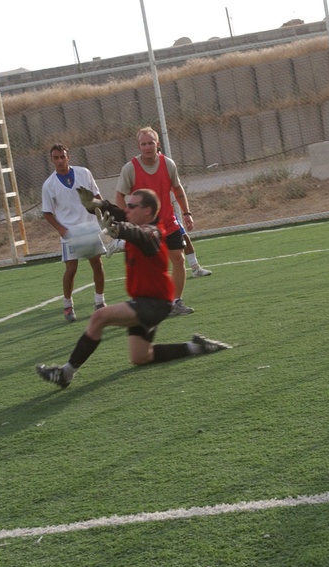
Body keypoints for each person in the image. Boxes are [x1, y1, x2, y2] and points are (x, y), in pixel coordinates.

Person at [36, 188, 230, 388]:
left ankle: (65, 374)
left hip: (153, 304)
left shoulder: (152, 232)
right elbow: (120, 215)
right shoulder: (139, 222)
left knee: (98, 318)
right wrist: (98, 205)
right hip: (147, 302)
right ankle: (196, 347)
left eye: (131, 206)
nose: (126, 209)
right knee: (141, 356)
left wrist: (117, 230)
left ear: (146, 211)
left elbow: (137, 233)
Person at [113, 127, 208, 317]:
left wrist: (187, 213)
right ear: (138, 146)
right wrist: (129, 220)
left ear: (158, 144)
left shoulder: (168, 164)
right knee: (146, 267)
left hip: (169, 222)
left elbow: (178, 189)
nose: (148, 147)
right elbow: (119, 196)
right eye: (143, 144)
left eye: (151, 143)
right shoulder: (130, 168)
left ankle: (175, 302)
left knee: (178, 260)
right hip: (145, 228)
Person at [41, 143, 107, 322]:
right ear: (52, 160)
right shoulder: (49, 184)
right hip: (70, 232)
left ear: (68, 157)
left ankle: (99, 302)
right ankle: (68, 306)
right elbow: (47, 212)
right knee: (71, 269)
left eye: (63, 156)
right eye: (56, 158)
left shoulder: (84, 173)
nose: (60, 160)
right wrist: (61, 229)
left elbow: (97, 196)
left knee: (97, 265)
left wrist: (104, 214)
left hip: (89, 227)